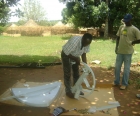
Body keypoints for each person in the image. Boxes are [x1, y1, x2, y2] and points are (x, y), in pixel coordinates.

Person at [61, 33, 93, 98]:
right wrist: (76, 59)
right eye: (85, 43)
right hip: (66, 55)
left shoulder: (87, 42)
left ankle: (76, 89)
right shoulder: (74, 41)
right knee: (67, 73)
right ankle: (68, 91)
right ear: (82, 39)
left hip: (75, 56)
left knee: (76, 73)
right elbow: (66, 53)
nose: (86, 45)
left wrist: (85, 66)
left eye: (88, 44)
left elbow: (84, 54)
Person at [114, 14, 140, 90]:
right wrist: (116, 47)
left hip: (128, 52)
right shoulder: (121, 27)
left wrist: (132, 42)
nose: (125, 22)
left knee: (126, 69)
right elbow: (118, 37)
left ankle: (124, 83)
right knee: (117, 67)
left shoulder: (135, 29)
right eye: (125, 21)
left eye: (127, 21)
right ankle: (116, 82)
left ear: (130, 20)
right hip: (120, 51)